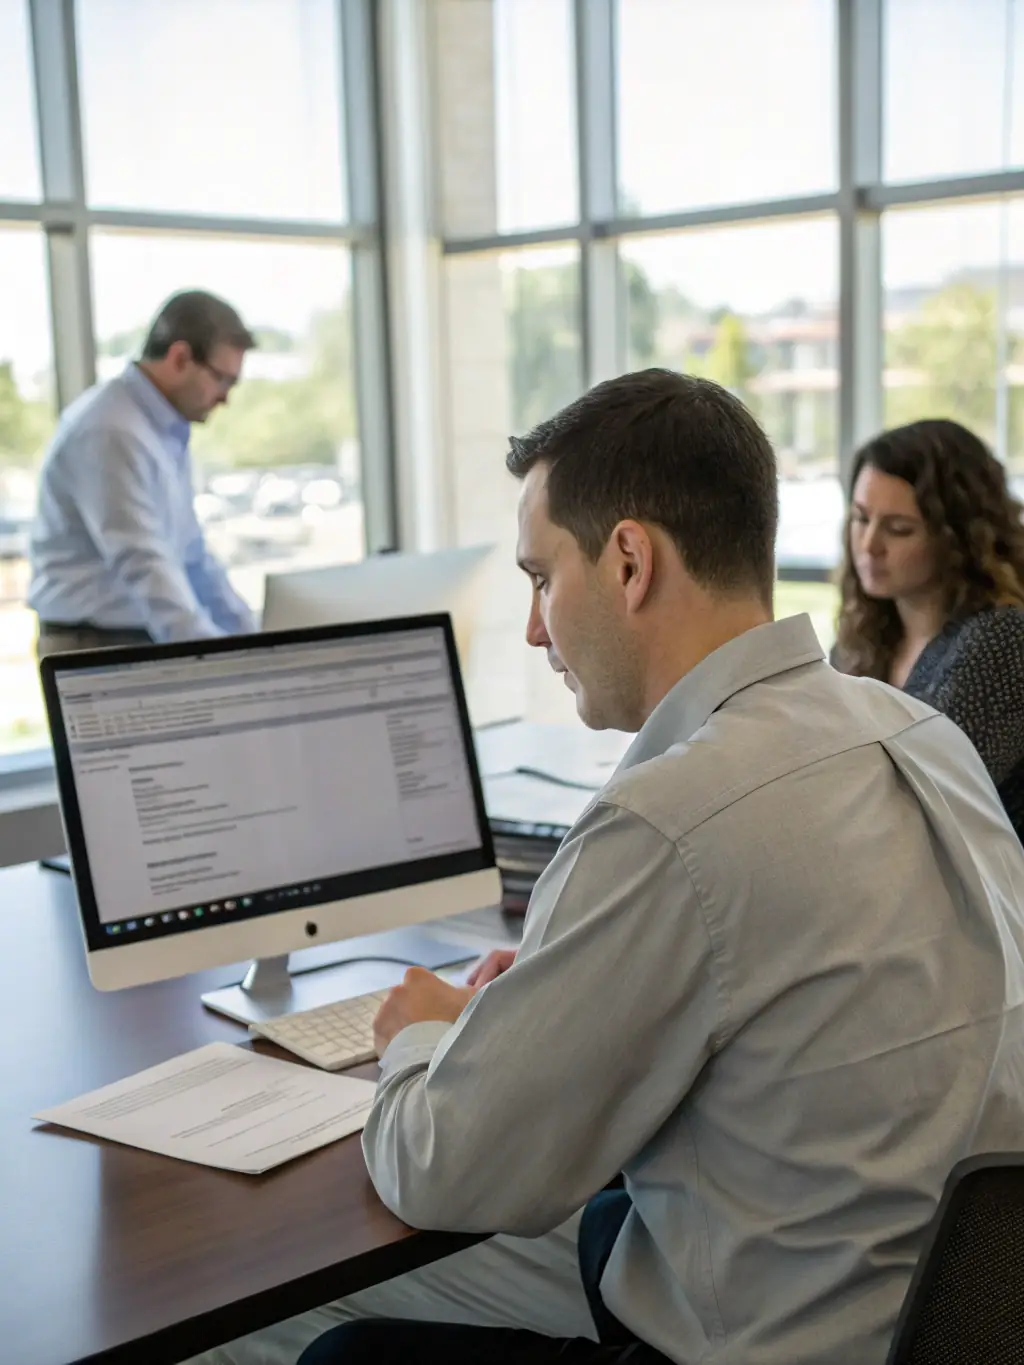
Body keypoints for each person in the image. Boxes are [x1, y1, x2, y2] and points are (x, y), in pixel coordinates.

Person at [188, 371, 1024, 1365]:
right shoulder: (921, 733)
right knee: (582, 1228)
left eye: (541, 578)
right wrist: (528, 1019)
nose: (537, 628)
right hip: (934, 1319)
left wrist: (416, 1040)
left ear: (628, 561)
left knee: (323, 1346)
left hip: (764, 1340)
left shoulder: (670, 818)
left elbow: (435, 1167)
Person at [29, 290, 258, 655]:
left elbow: (191, 555)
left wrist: (254, 638)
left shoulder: (163, 430)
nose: (224, 398)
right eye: (222, 379)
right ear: (180, 357)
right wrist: (213, 657)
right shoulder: (110, 429)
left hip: (137, 634)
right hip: (94, 643)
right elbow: (142, 561)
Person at [834, 417, 1024, 843]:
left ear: (957, 537)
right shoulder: (860, 639)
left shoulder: (1002, 640)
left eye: (899, 529)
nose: (869, 546)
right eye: (861, 519)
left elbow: (916, 809)